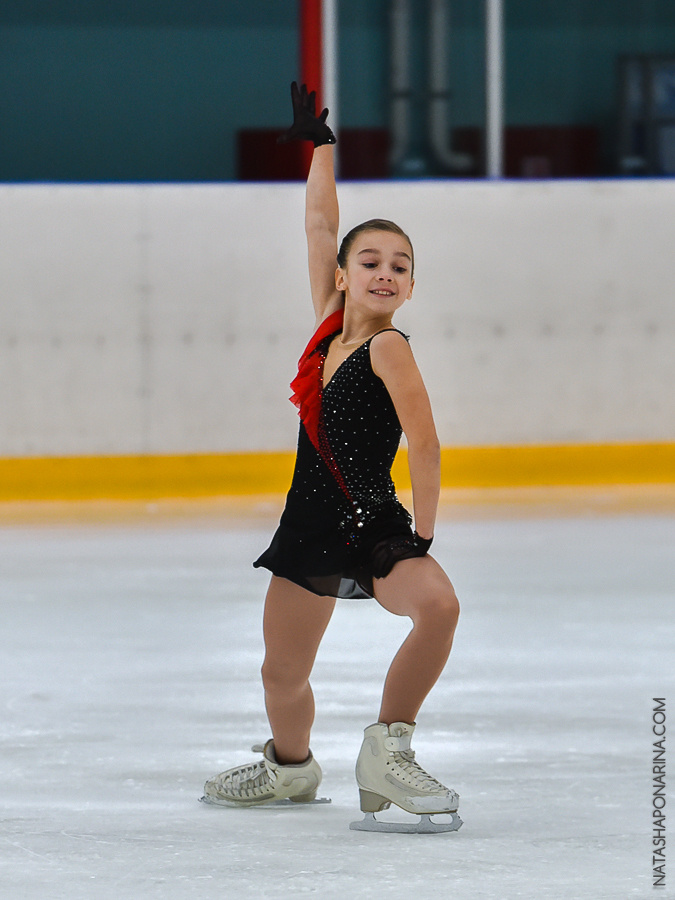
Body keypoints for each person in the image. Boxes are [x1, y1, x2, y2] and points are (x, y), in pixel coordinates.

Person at [203, 83, 461, 832]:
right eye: (371, 261)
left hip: (371, 521)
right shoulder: (327, 330)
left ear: (409, 289)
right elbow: (320, 226)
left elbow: (426, 443)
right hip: (307, 523)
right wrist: (321, 146)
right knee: (281, 673)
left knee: (438, 606)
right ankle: (290, 770)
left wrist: (425, 537)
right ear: (345, 276)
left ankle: (389, 747)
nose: (385, 272)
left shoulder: (387, 347)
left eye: (401, 266)